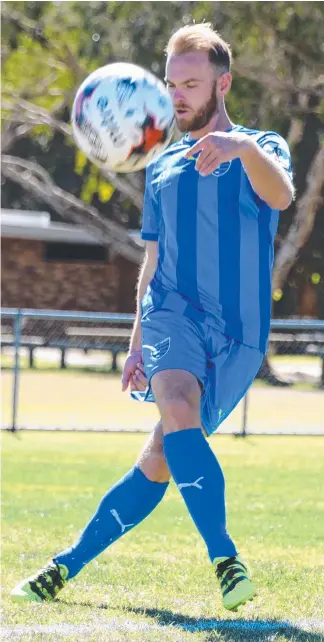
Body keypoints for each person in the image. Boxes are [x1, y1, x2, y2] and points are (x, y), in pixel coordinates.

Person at [11, 22, 294, 611]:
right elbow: (153, 259)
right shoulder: (160, 166)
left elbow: (282, 196)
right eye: (171, 84)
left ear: (224, 83)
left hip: (240, 334)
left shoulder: (261, 146)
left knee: (162, 457)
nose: (178, 95)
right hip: (172, 317)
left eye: (191, 83)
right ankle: (225, 558)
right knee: (177, 404)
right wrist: (138, 340)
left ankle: (65, 567)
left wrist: (242, 150)